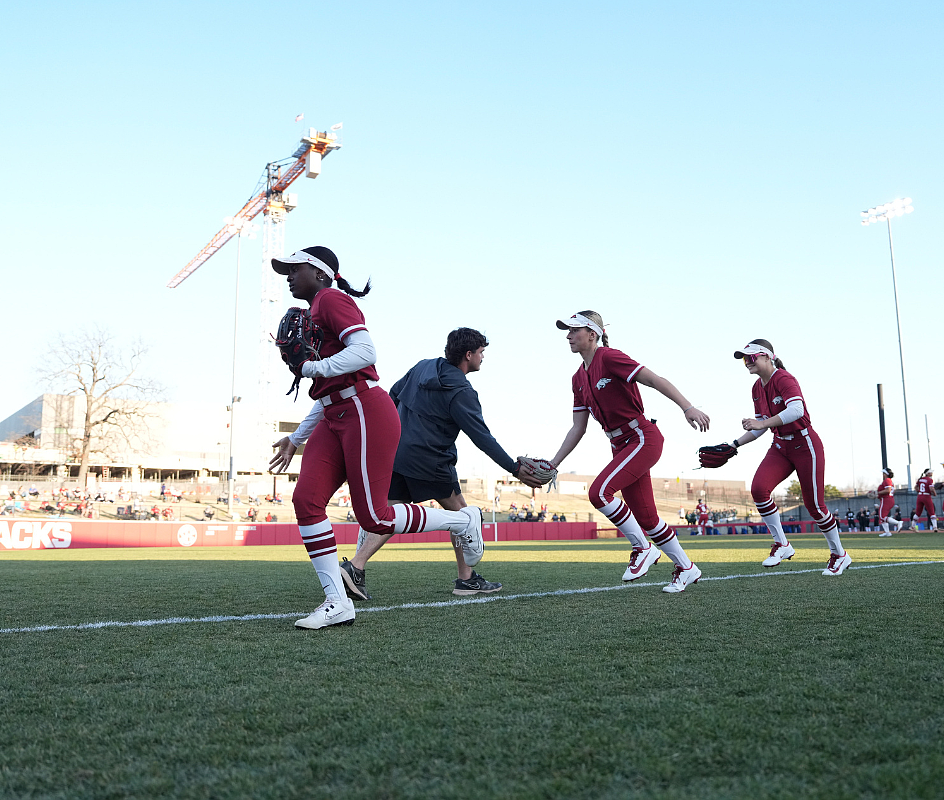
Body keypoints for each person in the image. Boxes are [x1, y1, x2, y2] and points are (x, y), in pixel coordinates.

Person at [268, 246, 484, 630]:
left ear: (319, 274)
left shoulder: (331, 298)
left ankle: (462, 520)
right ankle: (337, 603)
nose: (287, 275)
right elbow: (329, 390)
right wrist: (298, 437)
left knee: (375, 516)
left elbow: (366, 353)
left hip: (365, 410)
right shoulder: (317, 307)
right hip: (336, 412)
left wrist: (311, 365)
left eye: (294, 268)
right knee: (306, 499)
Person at [338, 328, 545, 601]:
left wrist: (391, 435)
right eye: (481, 352)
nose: (483, 357)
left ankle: (356, 566)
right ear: (468, 355)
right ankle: (466, 580)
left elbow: (392, 396)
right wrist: (514, 468)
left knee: (388, 515)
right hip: (432, 461)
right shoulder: (462, 391)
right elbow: (482, 437)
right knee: (464, 517)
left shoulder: (423, 366)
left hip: (398, 454)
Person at [547, 311, 709, 592]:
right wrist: (554, 464)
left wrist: (688, 407)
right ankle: (686, 568)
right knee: (647, 517)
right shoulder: (577, 378)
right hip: (619, 444)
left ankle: (643, 548)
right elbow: (578, 428)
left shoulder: (609, 357)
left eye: (574, 330)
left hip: (641, 437)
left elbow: (656, 379)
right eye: (567, 330)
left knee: (599, 493)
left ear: (592, 334)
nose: (568, 335)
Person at [702, 339, 851, 576]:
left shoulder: (783, 378)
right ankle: (782, 544)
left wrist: (761, 423)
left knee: (815, 507)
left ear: (766, 357)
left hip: (805, 444)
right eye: (744, 359)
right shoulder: (756, 387)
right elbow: (760, 426)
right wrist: (734, 443)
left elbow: (796, 411)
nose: (746, 362)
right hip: (781, 445)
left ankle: (839, 555)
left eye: (750, 357)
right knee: (759, 489)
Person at [874, 467, 901, 537]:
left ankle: (898, 523)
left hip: (886, 499)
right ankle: (887, 532)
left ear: (885, 474)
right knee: (882, 517)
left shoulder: (887, 480)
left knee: (882, 517)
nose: (883, 475)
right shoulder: (889, 481)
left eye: (883, 473)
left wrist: (878, 493)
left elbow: (888, 490)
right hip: (888, 499)